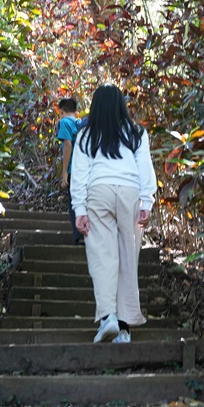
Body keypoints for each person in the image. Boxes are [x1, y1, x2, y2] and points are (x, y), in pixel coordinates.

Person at [70, 84, 157, 344]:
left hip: (98, 191)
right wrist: (146, 202)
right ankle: (124, 329)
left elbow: (80, 176)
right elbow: (145, 169)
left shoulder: (86, 135)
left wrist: (80, 209)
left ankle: (108, 316)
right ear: (121, 105)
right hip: (130, 191)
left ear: (95, 106)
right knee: (128, 258)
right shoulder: (136, 133)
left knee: (102, 256)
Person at [55, 96, 85, 245]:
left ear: (61, 112)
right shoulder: (80, 123)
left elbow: (67, 145)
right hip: (84, 168)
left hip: (73, 168)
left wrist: (64, 172)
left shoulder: (64, 122)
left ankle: (78, 236)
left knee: (74, 202)